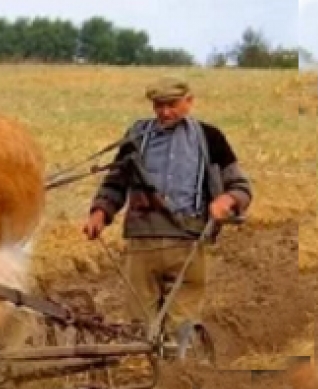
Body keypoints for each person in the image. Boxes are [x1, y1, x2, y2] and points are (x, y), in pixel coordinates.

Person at [82, 75, 252, 342]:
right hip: (142, 244)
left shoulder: (210, 138)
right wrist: (100, 213)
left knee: (180, 329)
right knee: (138, 330)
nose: (165, 112)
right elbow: (116, 181)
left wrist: (226, 201)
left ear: (189, 102)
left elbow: (240, 186)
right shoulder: (137, 136)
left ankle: (179, 374)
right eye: (158, 105)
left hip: (188, 245)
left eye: (172, 105)